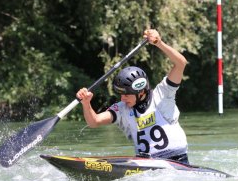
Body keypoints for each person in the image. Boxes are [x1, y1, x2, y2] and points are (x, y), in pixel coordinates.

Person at [76, 29, 189, 163]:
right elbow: (94, 122)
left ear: (141, 92)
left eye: (127, 95)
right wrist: (86, 103)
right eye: (121, 94)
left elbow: (180, 64)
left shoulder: (163, 94)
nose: (122, 99)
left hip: (177, 161)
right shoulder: (122, 109)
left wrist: (159, 44)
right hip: (146, 165)